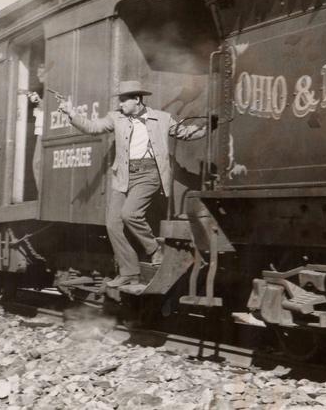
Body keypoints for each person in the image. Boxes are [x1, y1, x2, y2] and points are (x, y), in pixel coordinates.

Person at [58, 80, 205, 287]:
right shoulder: (116, 118)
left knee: (130, 214)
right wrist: (71, 113)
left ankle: (155, 249)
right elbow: (93, 127)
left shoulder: (161, 118)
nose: (120, 105)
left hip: (149, 174)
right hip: (125, 176)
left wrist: (206, 128)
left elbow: (184, 132)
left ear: (137, 99)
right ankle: (130, 272)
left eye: (124, 100)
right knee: (113, 224)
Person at [30, 63, 47, 193]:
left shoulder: (49, 89)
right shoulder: (45, 89)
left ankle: (42, 194)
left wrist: (38, 102)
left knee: (37, 164)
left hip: (43, 131)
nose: (37, 75)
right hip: (40, 129)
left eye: (40, 72)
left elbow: (49, 107)